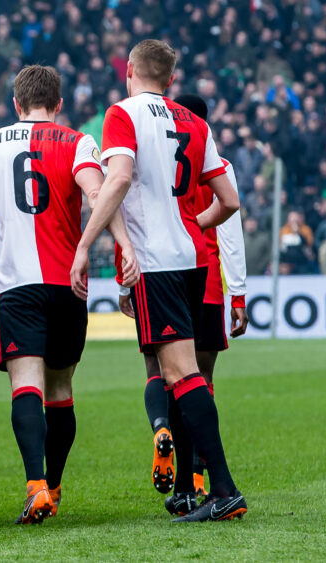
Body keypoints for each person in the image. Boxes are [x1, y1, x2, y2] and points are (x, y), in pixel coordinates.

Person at [71, 39, 247, 522]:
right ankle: (192, 492)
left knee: (179, 375)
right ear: (171, 79)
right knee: (186, 375)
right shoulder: (195, 122)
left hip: (157, 262)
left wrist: (86, 245)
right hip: (193, 259)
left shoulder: (121, 114)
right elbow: (229, 200)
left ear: (128, 69)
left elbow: (120, 178)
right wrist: (195, 226)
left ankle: (225, 490)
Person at [0, 64, 139, 524]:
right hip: (68, 282)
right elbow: (97, 194)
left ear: (15, 104)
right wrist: (118, 243)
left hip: (17, 285)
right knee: (61, 388)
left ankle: (35, 486)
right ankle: (56, 485)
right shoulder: (78, 142)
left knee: (26, 384)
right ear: (59, 104)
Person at [116, 94, 248, 512]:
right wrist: (238, 294)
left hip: (160, 274)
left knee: (164, 373)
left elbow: (133, 213)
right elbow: (231, 231)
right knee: (198, 380)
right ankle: (198, 482)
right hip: (204, 278)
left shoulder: (151, 165)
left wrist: (123, 279)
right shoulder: (216, 165)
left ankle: (185, 477)